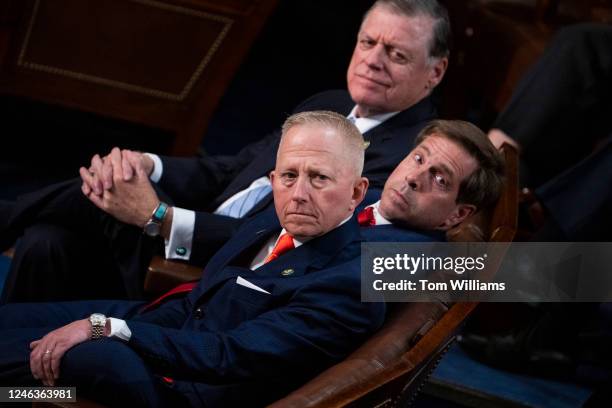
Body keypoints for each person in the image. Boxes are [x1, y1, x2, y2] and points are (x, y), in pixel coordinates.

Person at [0, 0, 452, 302]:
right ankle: (22, 393)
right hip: (180, 236)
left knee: (99, 194)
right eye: (367, 42)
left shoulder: (408, 160)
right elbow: (232, 170)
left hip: (215, 275)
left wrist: (158, 217)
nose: (372, 59)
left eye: (396, 54)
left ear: (434, 72)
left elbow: (282, 240)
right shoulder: (329, 103)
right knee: (45, 243)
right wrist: (148, 165)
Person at [0, 111, 382, 407]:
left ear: (356, 192)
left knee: (73, 356)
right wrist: (112, 324)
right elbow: (195, 303)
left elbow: (228, 355)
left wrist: (106, 329)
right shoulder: (273, 219)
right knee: (17, 317)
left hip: (189, 391)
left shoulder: (351, 285)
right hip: (165, 327)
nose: (298, 192)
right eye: (288, 176)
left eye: (318, 178)